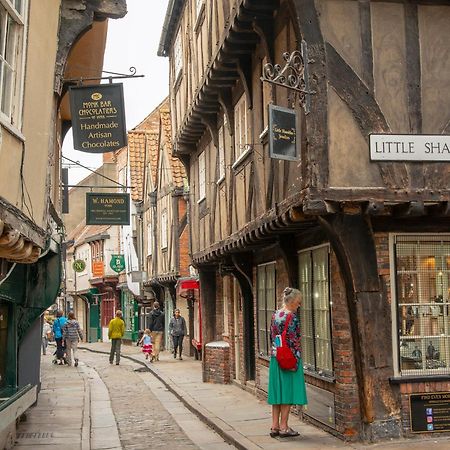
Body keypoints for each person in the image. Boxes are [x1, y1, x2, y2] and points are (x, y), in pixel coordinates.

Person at [268, 287, 307, 438]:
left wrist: (277, 351)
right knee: (287, 393)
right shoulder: (292, 317)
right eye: (298, 302)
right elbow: (294, 341)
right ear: (291, 302)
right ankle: (284, 427)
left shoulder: (275, 315)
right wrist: (295, 362)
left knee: (277, 392)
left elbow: (273, 337)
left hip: (275, 357)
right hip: (289, 359)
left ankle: (274, 426)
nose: (299, 305)